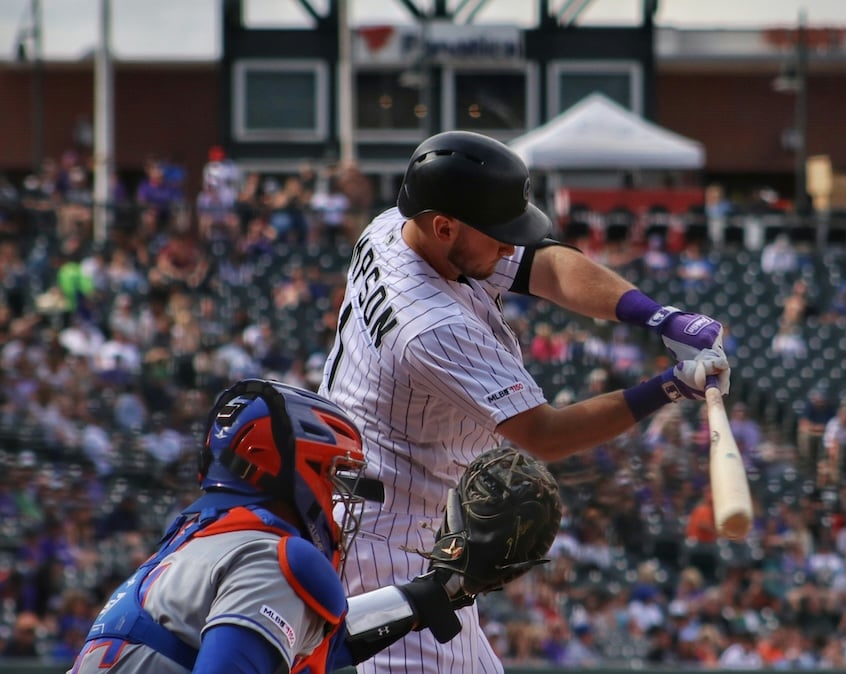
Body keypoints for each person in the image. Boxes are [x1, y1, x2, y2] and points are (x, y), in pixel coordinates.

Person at [317, 130, 730, 674]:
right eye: (499, 234)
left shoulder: (395, 227)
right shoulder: (430, 324)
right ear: (445, 227)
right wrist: (668, 389)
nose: (511, 246)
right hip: (385, 542)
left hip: (377, 516)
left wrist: (658, 316)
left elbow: (548, 266)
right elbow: (546, 435)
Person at [71, 379, 556, 673]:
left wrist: (441, 590)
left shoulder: (191, 545)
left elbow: (317, 643)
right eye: (332, 473)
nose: (339, 492)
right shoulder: (272, 556)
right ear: (295, 469)